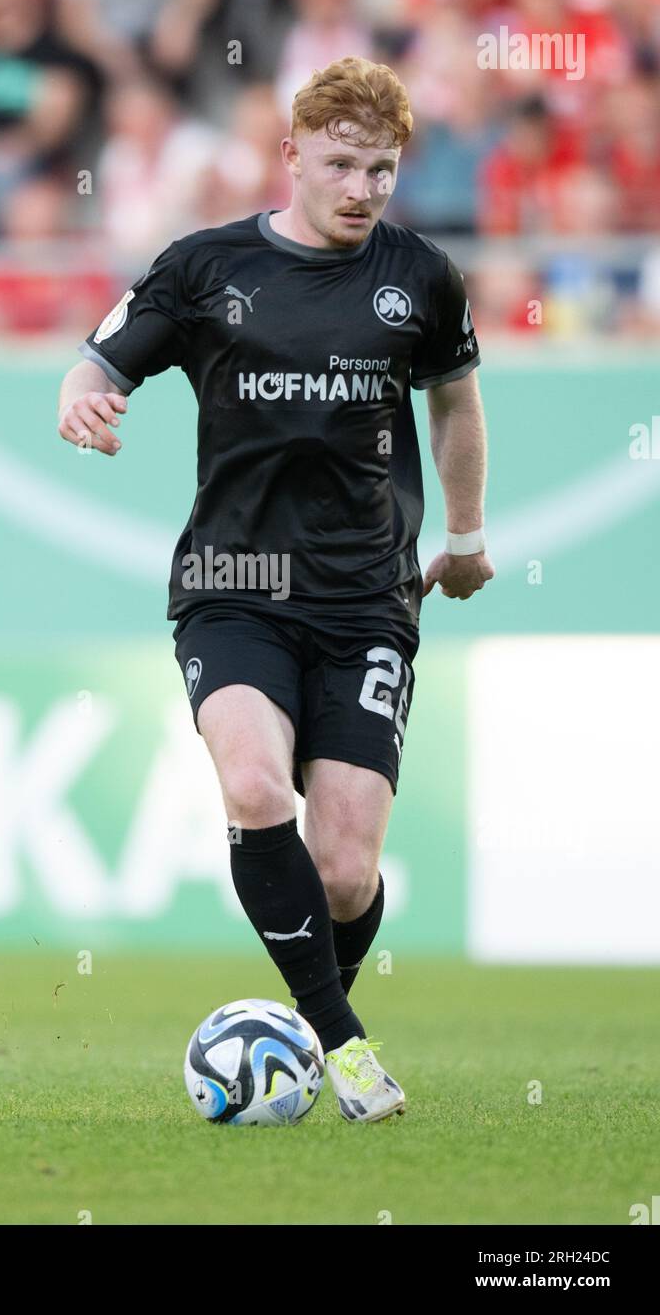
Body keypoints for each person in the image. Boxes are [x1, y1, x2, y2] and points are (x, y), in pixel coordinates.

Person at [57, 56, 494, 1123]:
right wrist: (80, 400)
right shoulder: (204, 267)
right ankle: (343, 1048)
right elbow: (99, 364)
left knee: (343, 873)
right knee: (255, 789)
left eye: (381, 170)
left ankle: (293, 1036)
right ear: (290, 154)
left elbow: (452, 408)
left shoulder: (421, 277)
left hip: (366, 598)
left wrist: (469, 533)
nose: (361, 189)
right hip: (234, 582)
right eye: (341, 165)